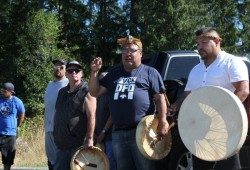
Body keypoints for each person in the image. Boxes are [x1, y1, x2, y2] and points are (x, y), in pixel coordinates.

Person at [170, 27, 249, 170]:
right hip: (199, 129)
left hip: (226, 128)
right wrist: (175, 105)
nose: (200, 47)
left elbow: (243, 90)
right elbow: (187, 96)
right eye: (198, 44)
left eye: (204, 42)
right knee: (201, 167)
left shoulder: (231, 62)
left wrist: (219, 114)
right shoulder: (196, 70)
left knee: (228, 167)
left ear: (217, 41)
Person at [89, 35, 169, 170]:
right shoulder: (114, 74)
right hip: (118, 133)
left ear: (140, 53)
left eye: (132, 50)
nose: (128, 54)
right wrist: (94, 72)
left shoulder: (150, 72)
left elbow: (160, 98)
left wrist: (163, 121)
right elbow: (94, 92)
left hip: (142, 131)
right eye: (124, 51)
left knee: (146, 167)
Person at [53, 60, 96, 170]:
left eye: (77, 70)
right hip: (61, 144)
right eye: (70, 71)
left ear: (81, 73)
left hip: (78, 144)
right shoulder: (62, 92)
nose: (74, 73)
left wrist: (89, 138)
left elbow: (92, 116)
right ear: (66, 74)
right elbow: (58, 113)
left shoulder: (87, 90)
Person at [44, 58, 68, 170]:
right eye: (56, 67)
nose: (58, 69)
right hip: (48, 128)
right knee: (51, 160)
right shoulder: (49, 85)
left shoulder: (68, 83)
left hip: (61, 129)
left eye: (61, 67)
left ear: (66, 69)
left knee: (61, 161)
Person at [0, 82, 25, 170]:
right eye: (1, 90)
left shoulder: (17, 101)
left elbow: (22, 114)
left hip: (10, 134)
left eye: (4, 90)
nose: (2, 92)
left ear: (11, 92)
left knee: (7, 159)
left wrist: (16, 125)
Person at [95, 72, 116, 170]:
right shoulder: (96, 96)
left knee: (109, 164)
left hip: (109, 137)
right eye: (101, 78)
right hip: (98, 137)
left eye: (105, 78)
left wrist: (104, 132)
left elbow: (112, 115)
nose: (102, 80)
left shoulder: (111, 94)